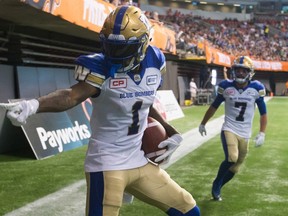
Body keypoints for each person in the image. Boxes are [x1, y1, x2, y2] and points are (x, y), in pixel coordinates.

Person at [4, 6, 200, 216]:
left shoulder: (155, 60)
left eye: (123, 48)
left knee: (188, 209)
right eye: (111, 46)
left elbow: (144, 102)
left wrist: (170, 130)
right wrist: (33, 105)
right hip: (107, 164)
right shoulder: (99, 67)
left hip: (139, 160)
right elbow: (72, 95)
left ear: (143, 43)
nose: (115, 54)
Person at [198, 56, 267, 201]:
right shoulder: (226, 86)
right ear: (233, 71)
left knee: (236, 167)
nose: (240, 73)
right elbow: (214, 107)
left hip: (245, 133)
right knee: (231, 158)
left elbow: (263, 113)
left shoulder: (256, 88)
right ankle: (216, 184)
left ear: (250, 73)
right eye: (238, 70)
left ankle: (218, 186)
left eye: (244, 70)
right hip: (229, 128)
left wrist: (262, 133)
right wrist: (203, 123)